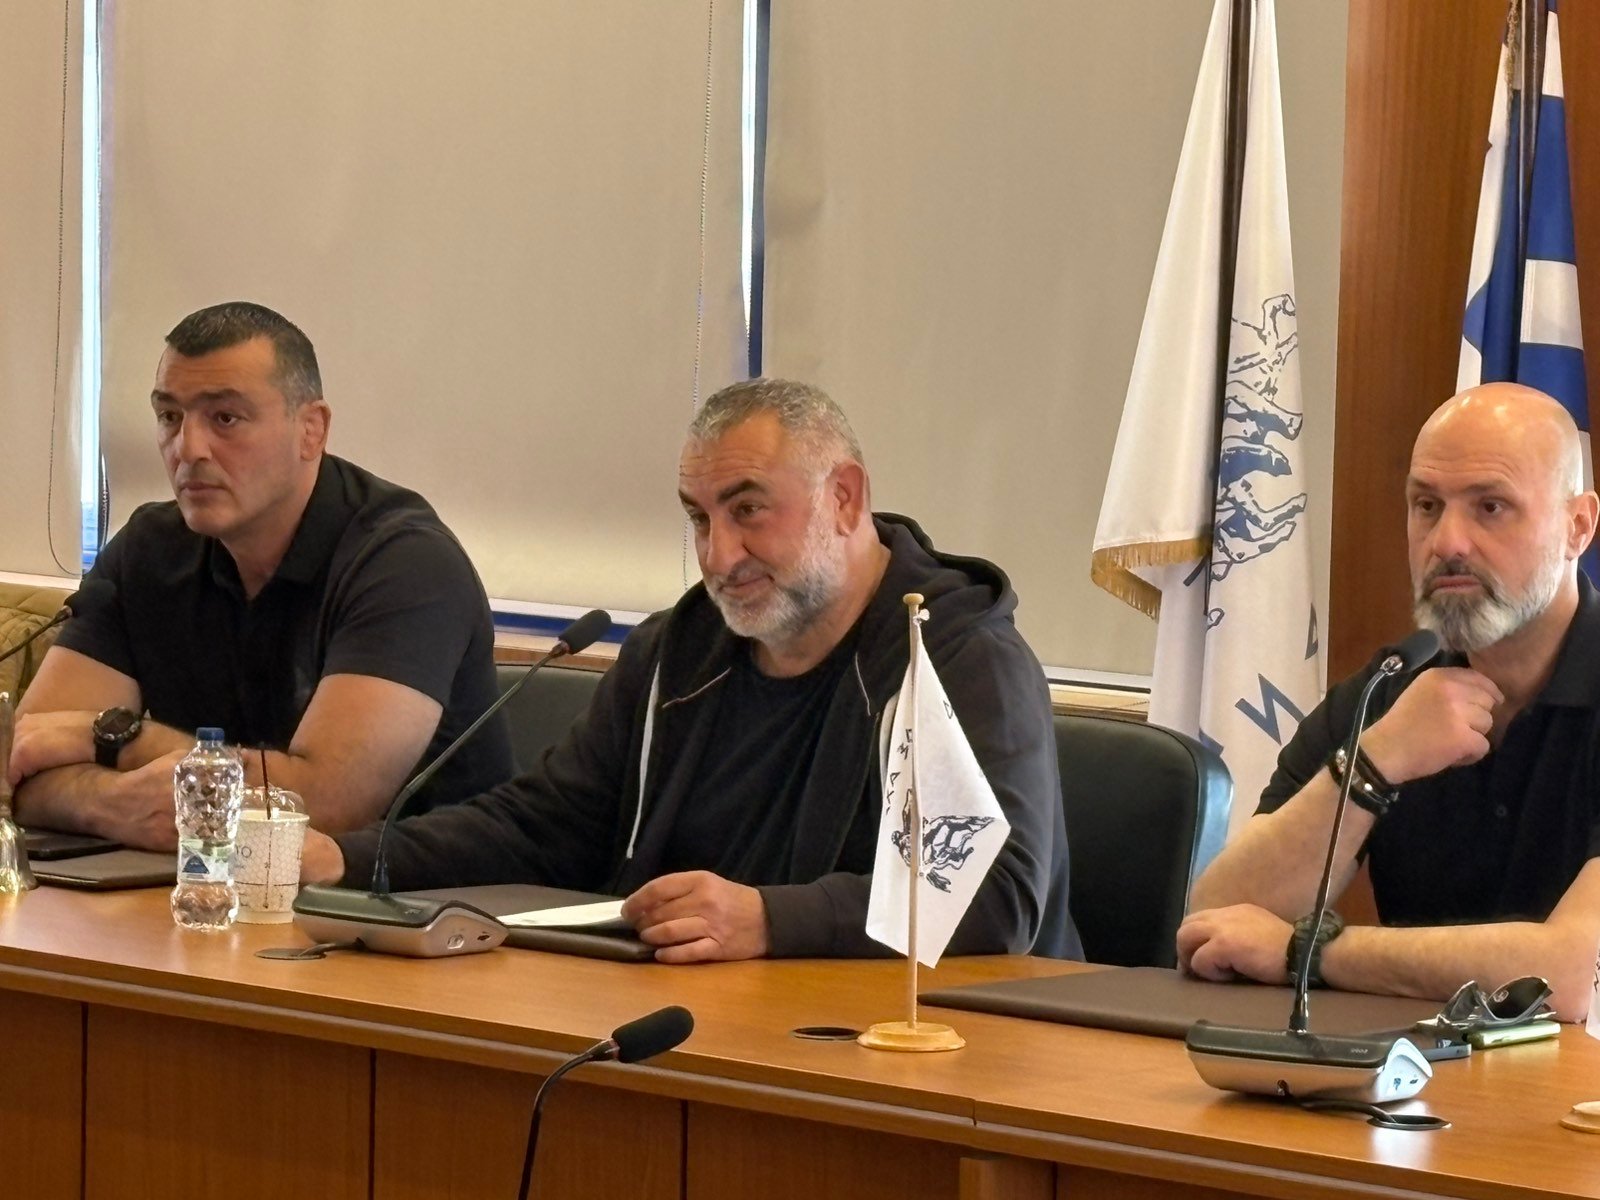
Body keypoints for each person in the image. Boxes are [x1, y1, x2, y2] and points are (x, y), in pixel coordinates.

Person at [303, 377, 1080, 964]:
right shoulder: (680, 651)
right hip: (696, 1017)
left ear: (844, 498)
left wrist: (769, 920)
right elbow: (547, 826)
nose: (718, 556)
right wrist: (352, 858)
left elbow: (993, 893)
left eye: (747, 511)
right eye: (698, 518)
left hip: (915, 1047)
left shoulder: (956, 655)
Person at [9, 302, 513, 848]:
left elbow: (328, 805)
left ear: (311, 430)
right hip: (204, 878)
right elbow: (21, 762)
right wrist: (114, 807)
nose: (188, 449)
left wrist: (121, 739)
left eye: (225, 418)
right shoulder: (149, 549)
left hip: (404, 889)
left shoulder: (405, 564)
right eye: (170, 417)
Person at [1179, 382, 1600, 1020]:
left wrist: (1309, 954)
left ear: (1577, 528)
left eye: (1490, 507)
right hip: (1414, 1073)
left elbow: (1570, 976)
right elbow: (1219, 922)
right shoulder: (1391, 689)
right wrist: (1373, 765)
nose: (1447, 542)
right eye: (1426, 505)